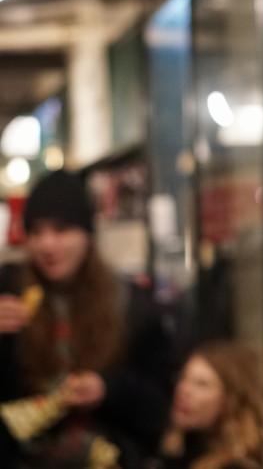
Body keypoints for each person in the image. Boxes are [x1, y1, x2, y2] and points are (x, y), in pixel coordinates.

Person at [0, 170, 175, 468]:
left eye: (61, 230)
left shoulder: (131, 304)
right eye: (36, 232)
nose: (47, 245)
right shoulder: (8, 291)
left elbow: (161, 405)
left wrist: (108, 389)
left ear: (88, 234)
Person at [157, 341, 263, 469]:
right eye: (183, 378)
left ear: (230, 400)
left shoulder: (237, 465)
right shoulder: (180, 450)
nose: (184, 390)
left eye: (201, 384)